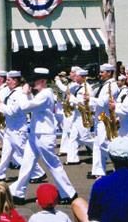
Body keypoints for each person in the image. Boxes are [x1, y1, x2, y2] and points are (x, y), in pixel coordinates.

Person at [9, 68, 78, 206]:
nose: (33, 84)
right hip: (36, 133)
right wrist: (27, 94)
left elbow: (25, 107)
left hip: (44, 135)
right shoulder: (42, 93)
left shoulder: (46, 93)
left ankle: (69, 193)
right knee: (27, 164)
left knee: (53, 164)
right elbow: (31, 106)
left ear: (43, 81)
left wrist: (24, 94)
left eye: (36, 81)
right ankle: (18, 193)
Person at [0, 71, 45, 184]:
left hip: (17, 129)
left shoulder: (19, 93)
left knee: (23, 152)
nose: (7, 82)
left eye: (8, 80)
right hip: (10, 127)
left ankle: (39, 173)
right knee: (6, 153)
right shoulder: (12, 92)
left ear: (15, 80)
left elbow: (12, 111)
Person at [86, 64, 118, 177]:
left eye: (102, 72)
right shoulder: (105, 85)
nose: (100, 74)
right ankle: (98, 172)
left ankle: (119, 165)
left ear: (109, 73)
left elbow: (103, 102)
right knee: (97, 145)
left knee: (104, 144)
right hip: (100, 117)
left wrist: (89, 99)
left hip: (106, 118)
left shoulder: (112, 86)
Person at [65, 68, 94, 165]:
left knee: (85, 137)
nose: (75, 78)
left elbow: (85, 102)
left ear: (83, 77)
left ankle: (103, 150)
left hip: (84, 115)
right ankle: (72, 159)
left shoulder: (87, 88)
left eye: (77, 76)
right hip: (77, 114)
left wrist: (71, 99)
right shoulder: (79, 87)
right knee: (73, 137)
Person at [54, 67, 80, 156]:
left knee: (74, 131)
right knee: (66, 130)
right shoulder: (72, 83)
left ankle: (89, 146)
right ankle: (65, 149)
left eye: (72, 72)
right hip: (68, 108)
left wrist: (58, 81)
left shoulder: (76, 84)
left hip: (73, 109)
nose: (70, 74)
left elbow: (65, 90)